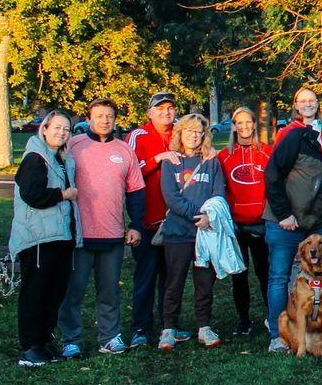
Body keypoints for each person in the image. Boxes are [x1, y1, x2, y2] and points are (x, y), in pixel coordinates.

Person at [262, 96, 322, 352]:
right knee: (280, 277)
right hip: (283, 222)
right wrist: (283, 214)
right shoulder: (299, 139)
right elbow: (272, 173)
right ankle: (277, 335)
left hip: (317, 226)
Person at [59, 99, 142, 357]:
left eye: (109, 116)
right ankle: (70, 339)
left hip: (113, 234)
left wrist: (135, 225)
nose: (105, 120)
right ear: (89, 118)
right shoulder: (74, 146)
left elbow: (136, 191)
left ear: (115, 119)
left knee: (109, 291)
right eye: (99, 115)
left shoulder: (125, 150)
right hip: (80, 235)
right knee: (73, 292)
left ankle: (110, 337)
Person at [153, 113, 229, 349]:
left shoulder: (211, 162)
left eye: (198, 132)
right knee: (174, 282)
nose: (194, 136)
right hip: (178, 232)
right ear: (180, 134)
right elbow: (171, 198)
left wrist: (210, 216)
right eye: (189, 131)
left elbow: (218, 194)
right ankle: (169, 328)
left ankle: (204, 326)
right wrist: (198, 214)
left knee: (204, 282)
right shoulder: (171, 162)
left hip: (205, 233)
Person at [12, 110, 79, 366]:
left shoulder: (59, 159)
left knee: (54, 292)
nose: (61, 133)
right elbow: (32, 194)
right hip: (38, 238)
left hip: (59, 236)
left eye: (66, 129)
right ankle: (30, 346)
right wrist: (63, 195)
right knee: (36, 292)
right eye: (57, 128)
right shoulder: (35, 158)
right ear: (45, 128)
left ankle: (45, 342)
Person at [126, 91, 179, 348]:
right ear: (150, 112)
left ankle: (169, 325)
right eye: (160, 109)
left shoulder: (181, 133)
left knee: (171, 277)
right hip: (148, 219)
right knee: (145, 276)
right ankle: (141, 328)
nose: (166, 113)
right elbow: (129, 171)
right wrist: (156, 160)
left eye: (170, 108)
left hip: (175, 220)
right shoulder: (139, 135)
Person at [218, 105, 272, 338]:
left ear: (254, 124)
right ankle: (243, 319)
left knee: (265, 273)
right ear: (233, 126)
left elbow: (274, 186)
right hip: (237, 225)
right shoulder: (224, 156)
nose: (244, 126)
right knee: (239, 274)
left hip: (261, 224)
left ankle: (273, 315)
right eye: (239, 122)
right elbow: (220, 189)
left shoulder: (268, 152)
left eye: (248, 121)